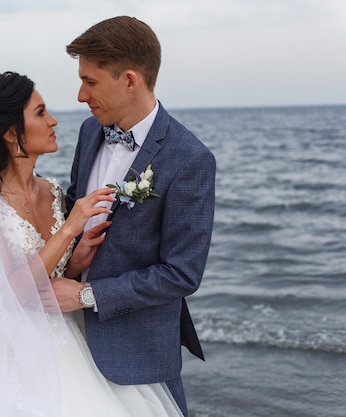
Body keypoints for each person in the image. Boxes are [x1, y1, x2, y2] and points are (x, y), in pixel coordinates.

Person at [0, 71, 184, 417]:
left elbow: (48, 280)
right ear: (11, 133)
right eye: (40, 113)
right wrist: (69, 231)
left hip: (75, 336)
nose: (53, 121)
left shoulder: (52, 191)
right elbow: (13, 293)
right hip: (15, 356)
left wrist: (76, 262)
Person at [51, 16, 216, 417]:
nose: (79, 95)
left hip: (136, 351)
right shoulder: (91, 132)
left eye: (90, 82)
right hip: (64, 339)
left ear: (129, 80)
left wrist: (86, 296)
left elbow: (181, 274)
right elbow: (74, 210)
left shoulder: (190, 159)